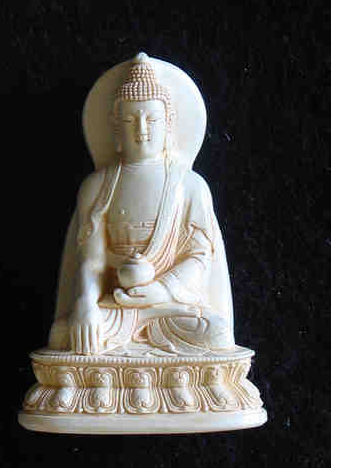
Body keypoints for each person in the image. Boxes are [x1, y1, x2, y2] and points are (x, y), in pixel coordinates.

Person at [48, 53, 235, 356]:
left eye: (152, 119)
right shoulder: (97, 186)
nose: (142, 130)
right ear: (115, 127)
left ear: (168, 124)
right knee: (62, 337)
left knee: (217, 334)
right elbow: (92, 261)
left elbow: (199, 257)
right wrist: (85, 304)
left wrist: (161, 289)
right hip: (116, 305)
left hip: (167, 306)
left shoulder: (191, 186)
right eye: (129, 120)